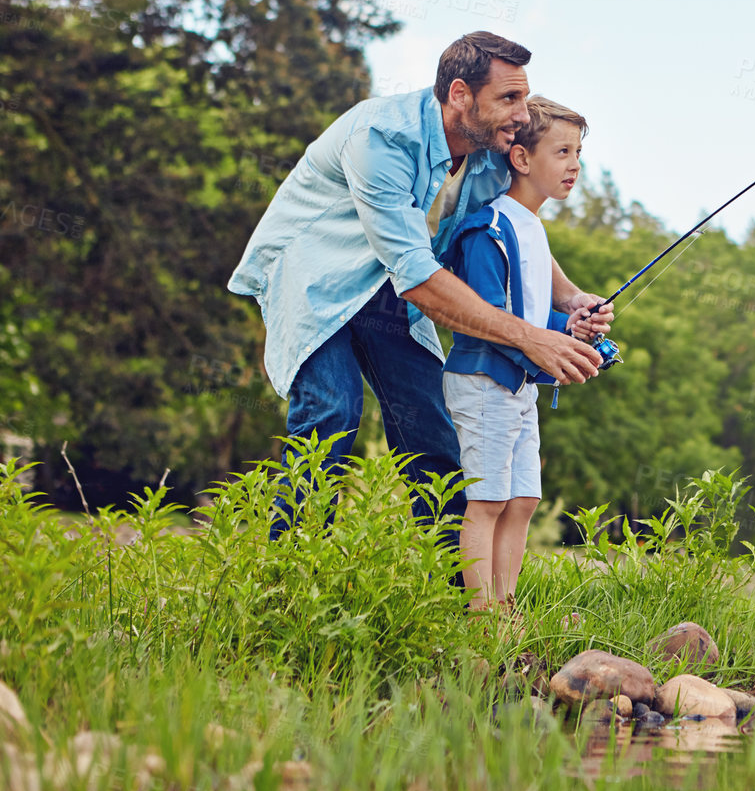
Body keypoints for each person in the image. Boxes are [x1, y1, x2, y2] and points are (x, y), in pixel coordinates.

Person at [226, 32, 611, 541]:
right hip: (315, 277)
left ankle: (459, 598)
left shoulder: (488, 151)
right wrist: (530, 336)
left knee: (431, 428)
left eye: (523, 95)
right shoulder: (380, 137)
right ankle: (287, 586)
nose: (522, 115)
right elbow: (418, 277)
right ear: (459, 95)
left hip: (391, 288)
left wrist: (571, 298)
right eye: (508, 98)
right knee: (332, 413)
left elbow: (508, 225)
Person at [442, 96, 590, 611]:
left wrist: (570, 327)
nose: (575, 165)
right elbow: (487, 319)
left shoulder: (533, 227)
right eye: (563, 151)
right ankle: (483, 620)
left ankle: (507, 609)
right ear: (522, 159)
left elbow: (527, 318)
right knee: (486, 503)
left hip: (518, 386)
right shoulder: (490, 228)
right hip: (484, 381)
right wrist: (551, 351)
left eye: (579, 153)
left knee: (523, 501)